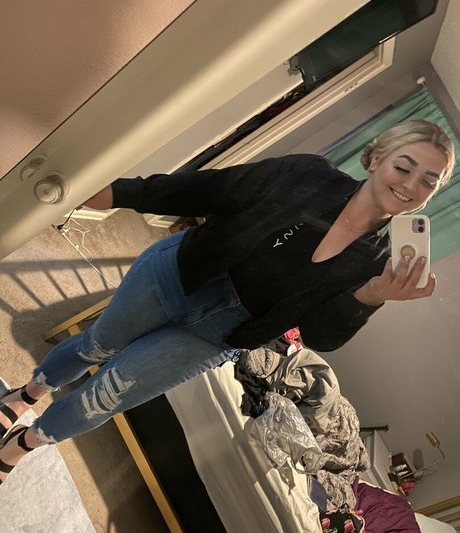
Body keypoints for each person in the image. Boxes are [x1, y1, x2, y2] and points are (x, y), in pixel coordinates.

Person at [0, 119, 455, 484]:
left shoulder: (380, 263)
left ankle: (21, 446)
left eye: (428, 181)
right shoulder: (309, 174)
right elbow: (218, 187)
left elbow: (319, 333)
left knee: (106, 397)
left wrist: (372, 296)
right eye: (404, 166)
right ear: (375, 158)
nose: (410, 184)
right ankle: (27, 394)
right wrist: (124, 193)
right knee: (96, 345)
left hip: (222, 332)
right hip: (179, 274)